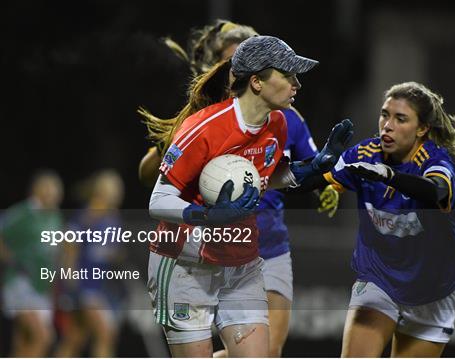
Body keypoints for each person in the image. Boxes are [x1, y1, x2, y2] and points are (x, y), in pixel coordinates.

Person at [138, 20, 341, 357]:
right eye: (288, 75)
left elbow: (264, 180)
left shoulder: (277, 122)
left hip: (240, 263)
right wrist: (207, 214)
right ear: (257, 82)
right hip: (185, 264)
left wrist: (309, 169)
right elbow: (157, 200)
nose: (297, 84)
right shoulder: (204, 128)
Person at [303, 81, 455, 357]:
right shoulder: (364, 154)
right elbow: (310, 181)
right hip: (379, 278)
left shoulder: (434, 162)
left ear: (422, 128)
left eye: (400, 118)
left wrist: (389, 176)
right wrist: (322, 166)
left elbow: (436, 192)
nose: (387, 125)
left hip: (434, 287)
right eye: (385, 114)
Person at [55, 169, 125, 357]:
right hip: (83, 287)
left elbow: (110, 255)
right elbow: (69, 251)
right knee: (105, 333)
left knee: (75, 338)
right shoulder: (86, 217)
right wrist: (71, 286)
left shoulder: (113, 219)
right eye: (113, 189)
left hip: (98, 289)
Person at [0, 170, 64, 357]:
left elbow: (54, 253)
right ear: (38, 190)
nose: (55, 195)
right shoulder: (22, 213)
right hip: (21, 283)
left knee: (23, 341)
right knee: (43, 336)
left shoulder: (54, 217)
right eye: (51, 190)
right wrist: (12, 261)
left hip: (41, 287)